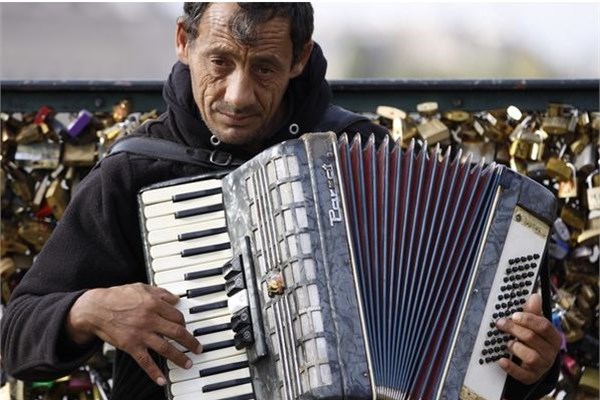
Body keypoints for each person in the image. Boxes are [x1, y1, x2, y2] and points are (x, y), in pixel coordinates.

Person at [1, 3, 560, 399]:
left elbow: (453, 363)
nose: (238, 95)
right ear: (183, 42)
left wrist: (529, 369)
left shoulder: (359, 153)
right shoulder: (137, 170)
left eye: (264, 67)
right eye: (220, 61)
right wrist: (87, 311)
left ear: (299, 58)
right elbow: (16, 335)